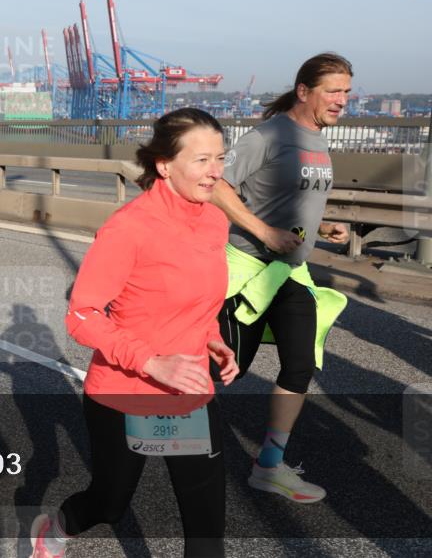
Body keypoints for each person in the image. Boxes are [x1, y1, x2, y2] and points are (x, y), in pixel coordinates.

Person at [31, 109, 238, 558]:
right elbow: (82, 316)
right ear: (165, 165)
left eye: (220, 158)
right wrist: (151, 361)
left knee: (207, 533)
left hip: (189, 391)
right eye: (202, 160)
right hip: (126, 392)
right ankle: (58, 526)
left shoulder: (215, 222)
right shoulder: (129, 228)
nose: (216, 172)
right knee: (109, 504)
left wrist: (213, 339)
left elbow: (200, 302)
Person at [211, 52, 351, 504]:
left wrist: (322, 227)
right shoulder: (269, 135)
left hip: (290, 273)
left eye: (347, 91)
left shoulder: (318, 140)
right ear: (304, 91)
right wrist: (263, 231)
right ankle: (156, 427)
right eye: (333, 90)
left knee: (299, 365)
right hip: (249, 268)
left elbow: (296, 198)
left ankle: (268, 466)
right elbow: (216, 184)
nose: (342, 100)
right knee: (225, 367)